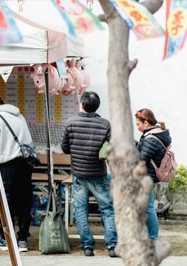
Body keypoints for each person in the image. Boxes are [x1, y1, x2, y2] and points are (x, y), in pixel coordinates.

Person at [61, 91, 117, 257]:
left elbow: (65, 148)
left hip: (79, 174)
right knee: (107, 209)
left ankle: (87, 247)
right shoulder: (105, 124)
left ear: (81, 104)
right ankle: (112, 246)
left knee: (80, 210)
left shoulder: (71, 122)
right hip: (98, 174)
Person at [0, 94, 33, 253]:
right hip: (26, 164)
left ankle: (6, 238)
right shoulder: (20, 116)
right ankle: (23, 240)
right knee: (24, 200)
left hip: (8, 164)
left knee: (7, 202)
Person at [135, 108, 171, 240]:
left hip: (146, 177)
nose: (137, 127)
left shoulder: (151, 138)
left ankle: (153, 238)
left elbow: (141, 159)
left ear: (146, 123)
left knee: (148, 208)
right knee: (146, 207)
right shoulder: (156, 134)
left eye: (138, 124)